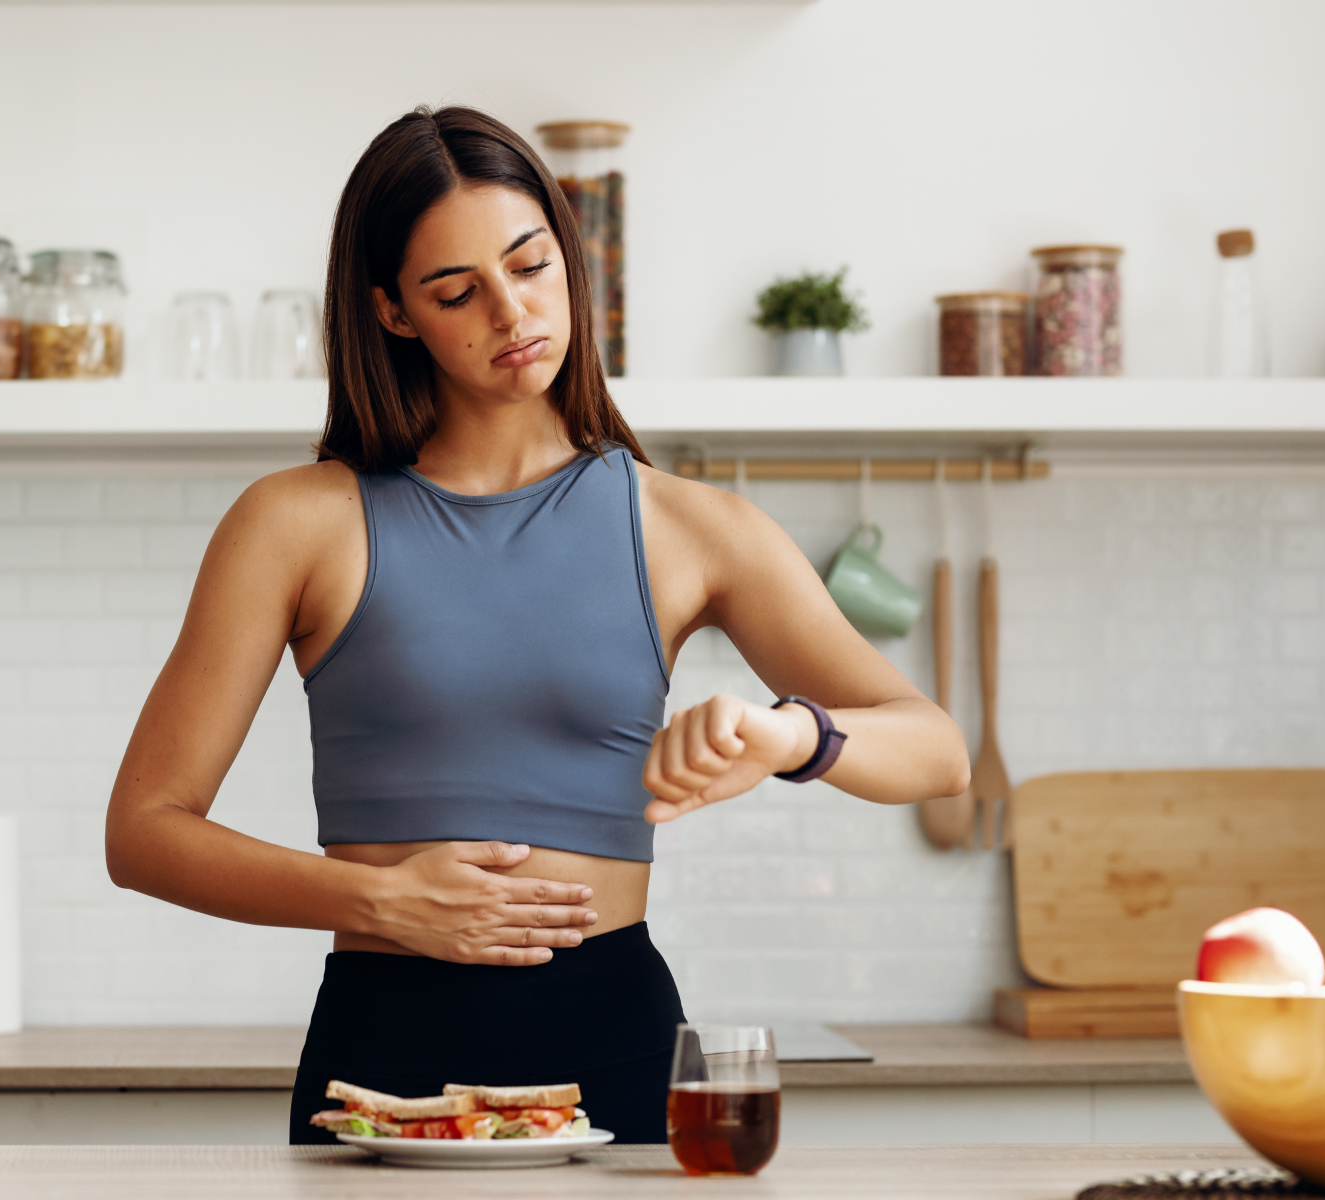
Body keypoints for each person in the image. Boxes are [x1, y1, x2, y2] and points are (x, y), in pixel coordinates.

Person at [105, 106, 969, 1145]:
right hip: (384, 1058)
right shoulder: (295, 523)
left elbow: (937, 751)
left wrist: (790, 735)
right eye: (456, 292)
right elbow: (145, 830)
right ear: (391, 312)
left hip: (618, 1044)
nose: (511, 311)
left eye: (531, 265)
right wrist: (380, 902)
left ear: (571, 260)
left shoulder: (690, 527)